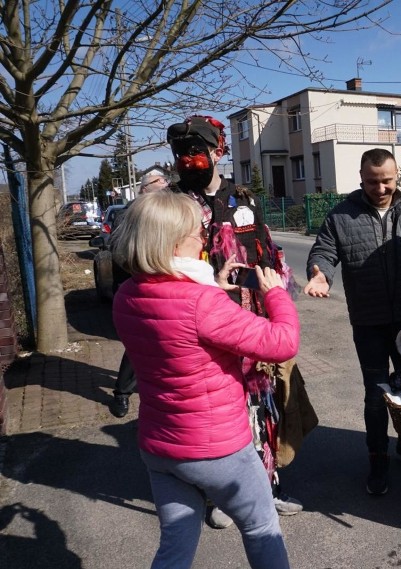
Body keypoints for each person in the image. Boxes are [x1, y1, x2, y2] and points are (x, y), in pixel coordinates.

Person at [110, 191, 298, 569]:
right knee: (262, 527)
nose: (202, 238)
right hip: (217, 448)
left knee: (176, 545)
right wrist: (276, 294)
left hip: (160, 446)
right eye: (197, 233)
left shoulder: (127, 295)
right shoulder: (201, 304)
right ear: (174, 242)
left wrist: (212, 286)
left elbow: (175, 326)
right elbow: (282, 343)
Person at [166, 115, 304, 527]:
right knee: (222, 413)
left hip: (252, 324)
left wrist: (275, 298)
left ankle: (267, 485)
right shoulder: (172, 205)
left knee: (263, 407)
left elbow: (267, 255)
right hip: (202, 324)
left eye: (196, 151)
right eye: (181, 153)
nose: (189, 160)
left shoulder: (243, 198)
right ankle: (220, 496)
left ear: (217, 152)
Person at [303, 147, 401, 496]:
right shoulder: (341, 216)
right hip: (367, 322)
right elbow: (324, 251)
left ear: (397, 177)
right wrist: (320, 273)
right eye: (372, 182)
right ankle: (378, 457)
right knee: (376, 395)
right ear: (361, 179)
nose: (380, 188)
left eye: (387, 181)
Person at [108, 169, 171, 418]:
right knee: (140, 343)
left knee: (161, 342)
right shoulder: (128, 213)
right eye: (160, 181)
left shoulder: (165, 211)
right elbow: (116, 247)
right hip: (137, 287)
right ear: (145, 187)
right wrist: (142, 269)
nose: (166, 184)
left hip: (164, 286)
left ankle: (154, 389)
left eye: (166, 180)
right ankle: (122, 393)